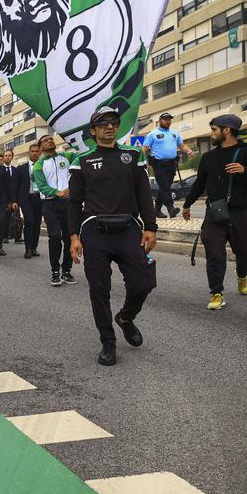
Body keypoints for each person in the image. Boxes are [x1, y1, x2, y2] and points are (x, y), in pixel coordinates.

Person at [69, 106, 158, 366]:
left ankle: (125, 318)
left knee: (142, 283)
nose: (109, 126)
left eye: (114, 122)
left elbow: (144, 193)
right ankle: (108, 343)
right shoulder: (81, 160)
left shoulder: (133, 155)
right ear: (92, 131)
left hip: (128, 228)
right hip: (94, 230)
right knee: (99, 290)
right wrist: (73, 236)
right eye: (103, 123)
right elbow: (74, 202)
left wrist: (150, 227)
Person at [181, 114, 247, 310]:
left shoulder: (245, 152)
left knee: (243, 252)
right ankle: (216, 293)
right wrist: (187, 204)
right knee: (215, 254)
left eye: (214, 130)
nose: (211, 134)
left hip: (241, 212)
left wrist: (244, 170)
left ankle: (242, 275)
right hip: (215, 213)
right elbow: (199, 184)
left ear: (227, 130)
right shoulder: (209, 157)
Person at [34, 135, 78, 286]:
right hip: (50, 204)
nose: (49, 141)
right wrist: (56, 192)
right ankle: (55, 271)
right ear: (40, 147)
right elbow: (41, 186)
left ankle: (66, 270)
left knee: (69, 238)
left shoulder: (68, 156)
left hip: (68, 204)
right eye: (45, 140)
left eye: (51, 139)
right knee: (54, 236)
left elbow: (81, 157)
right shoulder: (39, 165)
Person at [143, 113, 196, 219]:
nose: (168, 121)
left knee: (164, 187)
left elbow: (182, 146)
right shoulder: (153, 134)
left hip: (172, 164)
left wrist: (189, 151)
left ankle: (156, 210)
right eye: (165, 119)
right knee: (165, 186)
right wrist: (142, 163)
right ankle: (171, 208)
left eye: (169, 119)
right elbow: (144, 149)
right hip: (159, 164)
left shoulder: (175, 133)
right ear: (160, 120)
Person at [18, 144, 44, 259]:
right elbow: (16, 185)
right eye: (32, 151)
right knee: (29, 222)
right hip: (26, 198)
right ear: (28, 153)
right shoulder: (21, 168)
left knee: (37, 223)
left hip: (40, 198)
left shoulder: (44, 166)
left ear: (40, 153)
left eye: (36, 151)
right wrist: (15, 201)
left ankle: (34, 248)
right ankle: (28, 249)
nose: (34, 153)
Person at [2, 150, 23, 243]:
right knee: (5, 218)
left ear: (12, 157)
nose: (7, 157)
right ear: (3, 157)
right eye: (5, 156)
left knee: (17, 217)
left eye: (9, 155)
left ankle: (17, 237)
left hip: (15, 199)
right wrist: (7, 201)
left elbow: (18, 185)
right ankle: (5, 236)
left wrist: (15, 200)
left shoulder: (16, 170)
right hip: (4, 199)